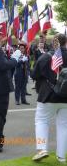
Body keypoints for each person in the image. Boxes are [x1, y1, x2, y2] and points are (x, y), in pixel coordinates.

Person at [31, 34, 67, 163]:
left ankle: (42, 149)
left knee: (41, 121)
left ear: (53, 43)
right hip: (65, 97)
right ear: (65, 43)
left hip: (48, 95)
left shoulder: (46, 56)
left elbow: (33, 74)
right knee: (64, 126)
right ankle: (62, 156)